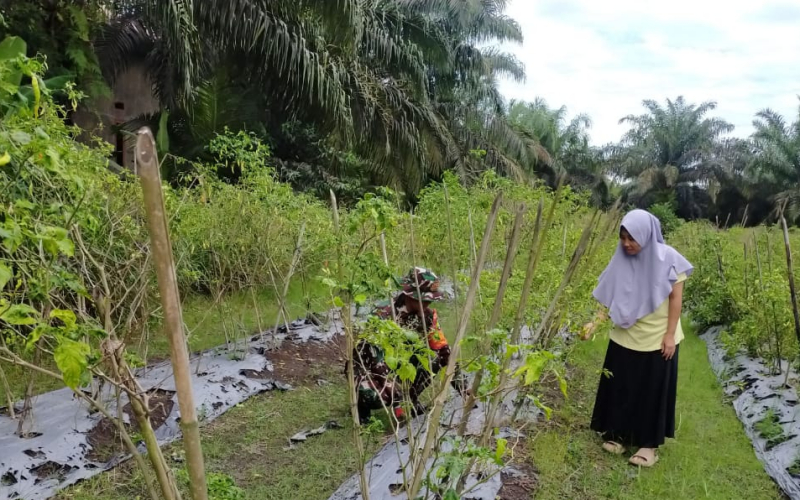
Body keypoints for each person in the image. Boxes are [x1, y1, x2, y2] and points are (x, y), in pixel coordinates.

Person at [582, 209, 693, 468]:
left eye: (632, 238)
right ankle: (618, 433)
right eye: (622, 238)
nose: (626, 244)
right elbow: (609, 295)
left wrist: (669, 335)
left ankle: (648, 445)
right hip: (625, 335)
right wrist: (593, 323)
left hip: (657, 338)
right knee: (622, 386)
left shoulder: (670, 259)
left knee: (651, 391)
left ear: (646, 234)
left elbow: (676, 299)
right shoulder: (621, 258)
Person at [353, 267, 466, 424]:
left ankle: (410, 399)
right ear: (409, 295)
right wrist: (398, 402)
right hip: (371, 368)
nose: (428, 303)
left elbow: (443, 350)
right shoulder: (383, 314)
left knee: (435, 358)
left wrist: (465, 391)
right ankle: (362, 410)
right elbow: (373, 359)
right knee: (376, 395)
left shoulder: (427, 315)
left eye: (429, 299)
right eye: (424, 299)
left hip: (401, 363)